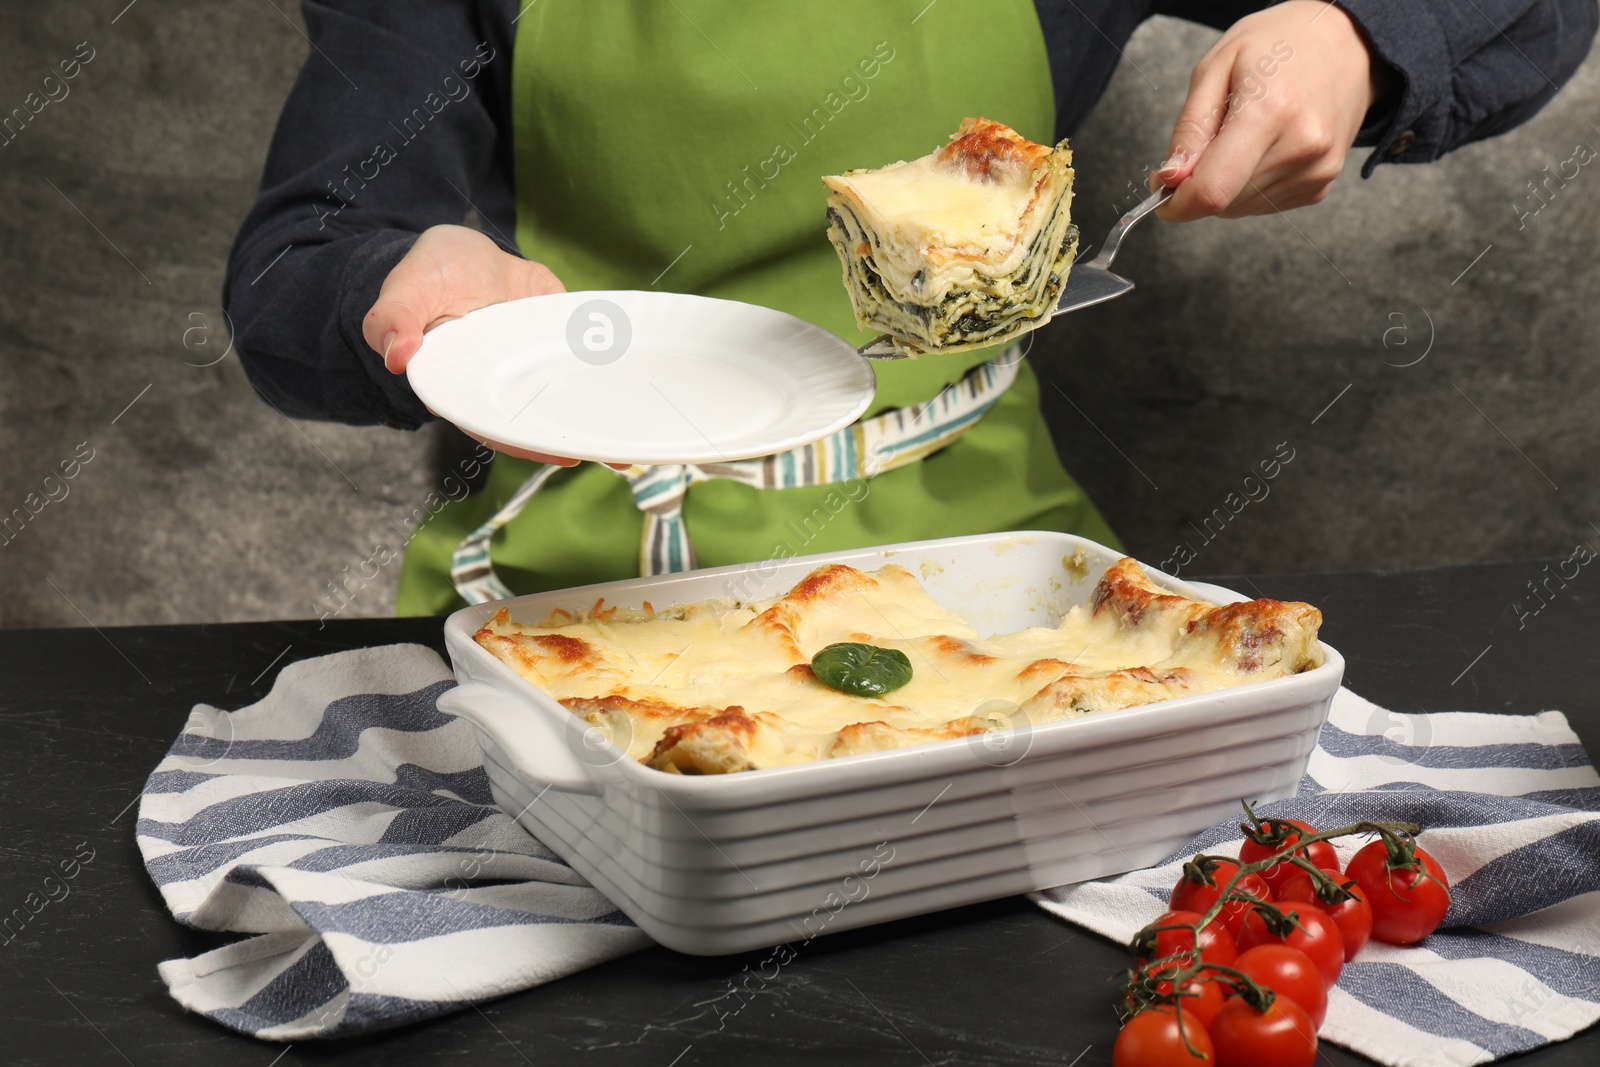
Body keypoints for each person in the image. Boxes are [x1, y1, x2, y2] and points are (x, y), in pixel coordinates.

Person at [225, 0, 1596, 616]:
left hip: (998, 588)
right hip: (572, 593)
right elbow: (307, 249)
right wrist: (391, 281)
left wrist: (1362, 32)